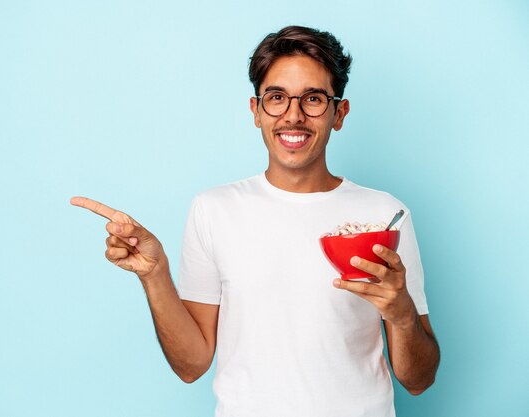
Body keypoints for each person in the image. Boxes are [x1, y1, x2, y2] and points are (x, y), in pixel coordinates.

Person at [71, 25, 440, 417]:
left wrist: (402, 315)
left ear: (339, 113)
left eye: (313, 99)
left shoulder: (384, 216)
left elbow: (419, 380)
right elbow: (191, 365)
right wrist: (155, 273)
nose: (293, 116)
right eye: (277, 98)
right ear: (256, 111)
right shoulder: (213, 209)